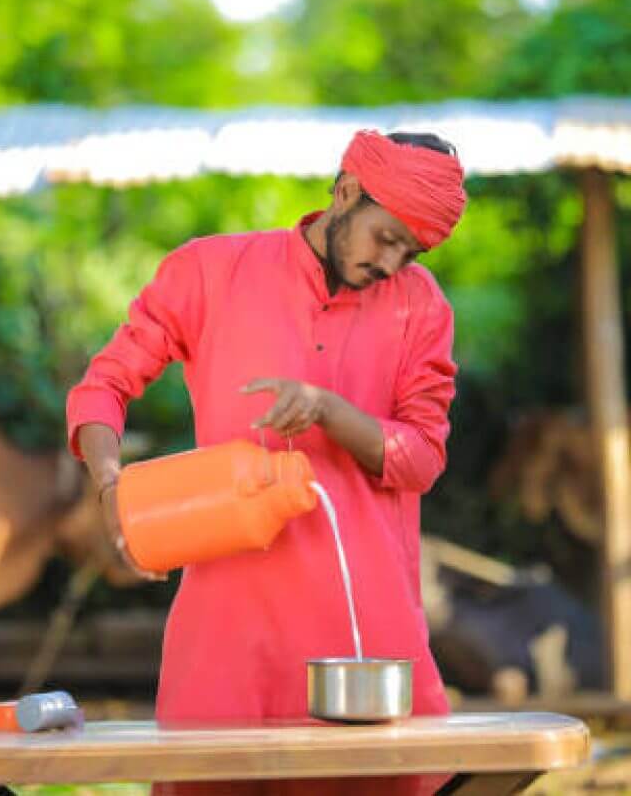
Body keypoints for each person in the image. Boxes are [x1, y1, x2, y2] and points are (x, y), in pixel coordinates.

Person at [66, 128, 467, 795]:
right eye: (386, 236)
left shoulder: (419, 306)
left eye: (412, 250)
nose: (393, 262)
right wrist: (110, 484)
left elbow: (422, 457)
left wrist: (329, 410)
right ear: (345, 192)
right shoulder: (208, 271)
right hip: (226, 631)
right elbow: (102, 386)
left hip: (364, 636)